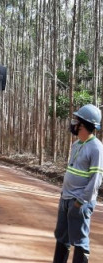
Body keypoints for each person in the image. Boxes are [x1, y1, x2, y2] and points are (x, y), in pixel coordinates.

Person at [53, 104, 103, 263]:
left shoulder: (97, 148)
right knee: (61, 237)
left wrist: (80, 202)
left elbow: (96, 178)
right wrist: (64, 197)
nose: (73, 123)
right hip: (66, 199)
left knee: (80, 240)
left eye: (77, 120)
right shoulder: (76, 145)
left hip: (80, 202)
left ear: (85, 124)